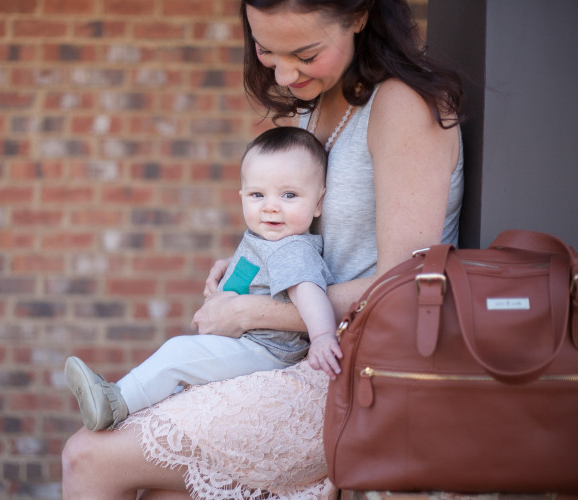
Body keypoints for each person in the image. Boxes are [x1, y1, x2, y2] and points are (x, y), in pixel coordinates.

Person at [62, 0, 464, 498]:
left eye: (305, 53)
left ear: (360, 16)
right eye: (266, 49)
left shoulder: (402, 105)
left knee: (89, 457)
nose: (284, 71)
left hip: (351, 373)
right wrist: (251, 265)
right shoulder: (319, 103)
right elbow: (315, 244)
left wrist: (253, 312)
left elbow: (403, 288)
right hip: (296, 357)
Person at [64, 126, 342, 432]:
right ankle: (137, 405)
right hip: (245, 342)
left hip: (267, 351)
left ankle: (115, 402)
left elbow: (309, 291)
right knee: (182, 373)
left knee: (177, 354)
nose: (271, 205)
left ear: (318, 203)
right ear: (242, 196)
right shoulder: (268, 239)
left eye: (289, 194)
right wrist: (231, 265)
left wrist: (322, 337)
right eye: (257, 194)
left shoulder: (291, 248)